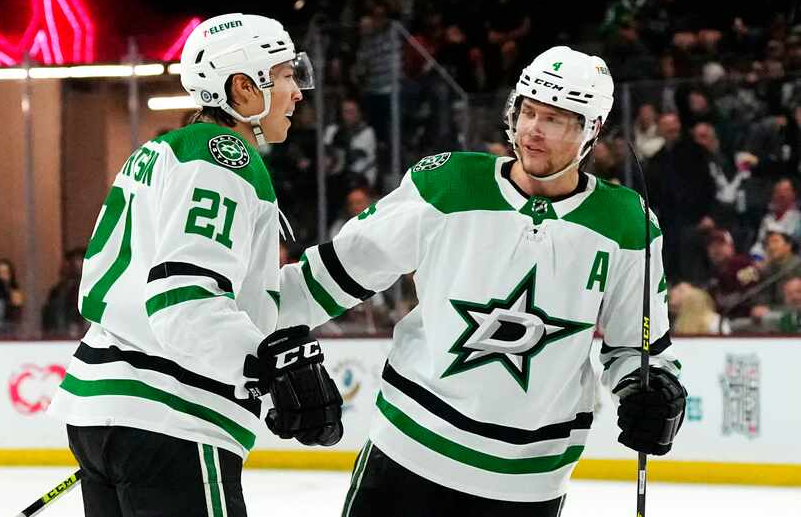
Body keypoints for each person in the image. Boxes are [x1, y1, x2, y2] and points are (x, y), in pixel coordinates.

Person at [279, 46, 686, 516]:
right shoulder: (447, 184)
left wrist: (650, 391)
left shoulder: (628, 224)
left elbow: (637, 349)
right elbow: (329, 276)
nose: (532, 129)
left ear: (590, 131)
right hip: (409, 451)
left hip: (529, 483)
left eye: (554, 119)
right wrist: (249, 320)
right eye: (527, 111)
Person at [47, 14, 343, 517]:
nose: (298, 92)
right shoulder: (222, 157)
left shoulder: (164, 151)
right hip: (171, 415)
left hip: (106, 411)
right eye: (287, 75)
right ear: (244, 88)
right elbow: (182, 297)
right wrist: (266, 367)